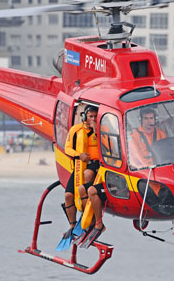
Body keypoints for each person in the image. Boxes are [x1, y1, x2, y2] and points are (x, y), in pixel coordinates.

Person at [58, 105, 100, 249]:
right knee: (68, 195)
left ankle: (88, 215)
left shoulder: (102, 130)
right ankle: (72, 225)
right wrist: (79, 155)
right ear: (84, 117)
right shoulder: (76, 130)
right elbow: (67, 148)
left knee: (88, 175)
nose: (93, 119)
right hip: (79, 165)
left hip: (96, 165)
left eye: (95, 117)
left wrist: (96, 131)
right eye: (91, 117)